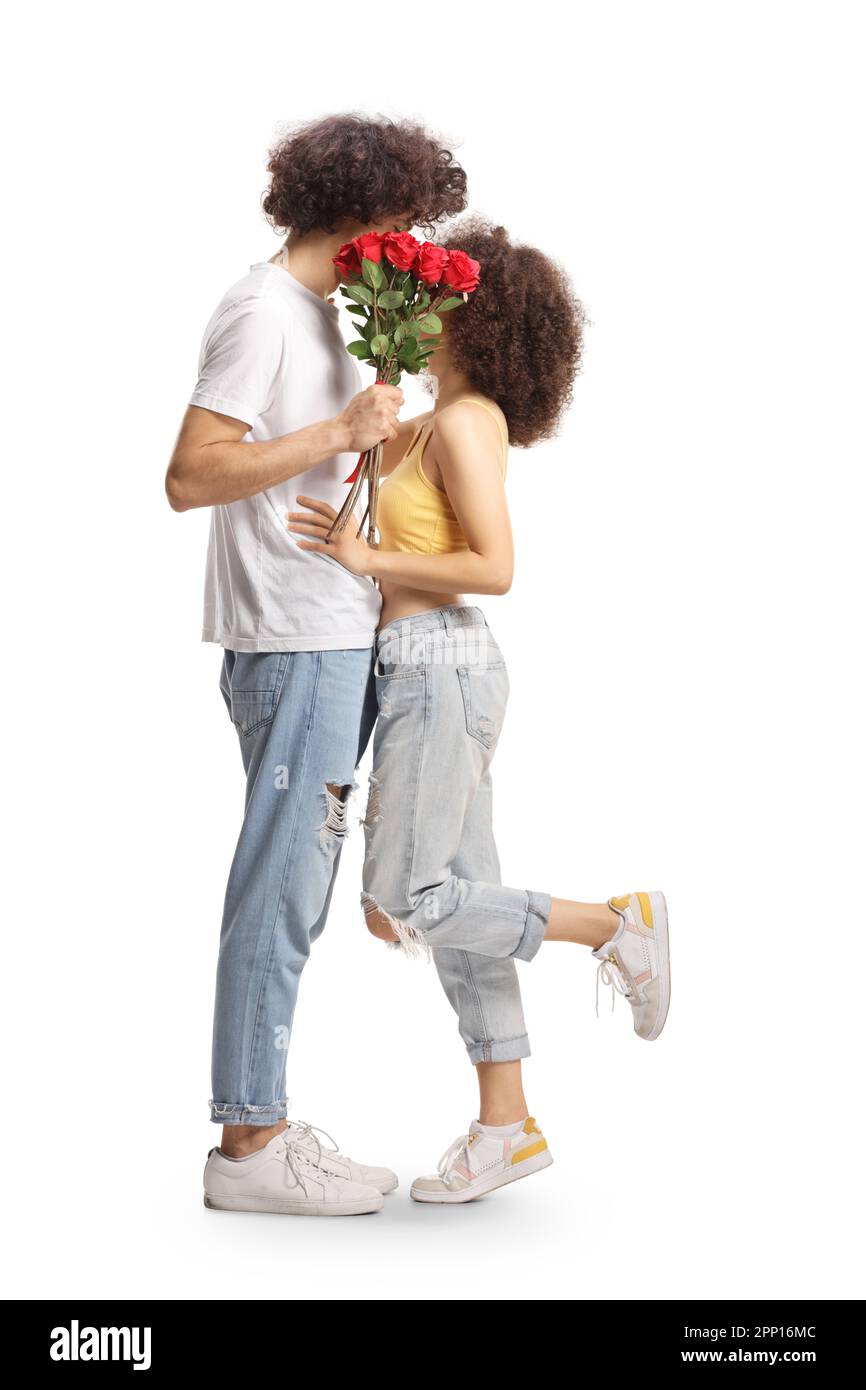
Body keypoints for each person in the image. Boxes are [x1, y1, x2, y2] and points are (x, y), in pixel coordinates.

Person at [288, 216, 672, 1205]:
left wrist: (368, 559)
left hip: (439, 663)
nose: (424, 308)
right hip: (418, 667)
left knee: (413, 896)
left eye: (439, 298)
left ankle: (612, 925)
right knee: (455, 897)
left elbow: (493, 568)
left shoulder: (464, 422)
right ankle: (506, 1124)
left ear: (475, 316)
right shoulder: (425, 416)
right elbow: (384, 518)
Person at [165, 114, 468, 1216]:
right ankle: (247, 1146)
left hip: (337, 628)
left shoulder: (326, 316)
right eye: (395, 220)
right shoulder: (260, 312)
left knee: (306, 887)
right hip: (290, 639)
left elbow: (313, 456)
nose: (399, 241)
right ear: (352, 212)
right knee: (280, 888)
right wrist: (336, 434)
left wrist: (367, 447)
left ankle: (268, 1124)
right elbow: (191, 474)